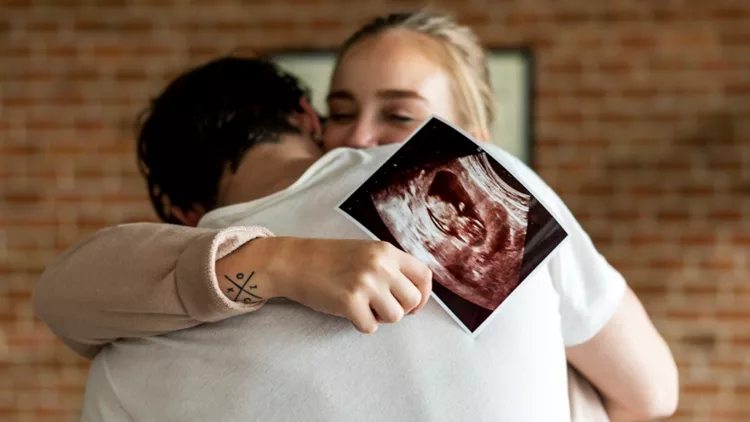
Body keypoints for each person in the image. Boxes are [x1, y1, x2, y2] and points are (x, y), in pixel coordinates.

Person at [34, 11, 678, 422]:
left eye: (400, 118)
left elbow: (62, 298)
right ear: (312, 121)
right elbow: (651, 394)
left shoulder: (127, 350)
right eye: (345, 112)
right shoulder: (446, 182)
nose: (365, 141)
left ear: (179, 210)